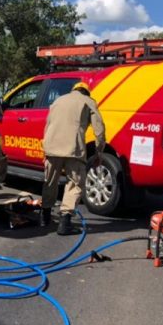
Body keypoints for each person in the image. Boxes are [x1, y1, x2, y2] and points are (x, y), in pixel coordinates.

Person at [41, 81, 106, 235]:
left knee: (50, 181)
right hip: (73, 149)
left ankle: (44, 217)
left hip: (51, 147)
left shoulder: (58, 101)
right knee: (74, 184)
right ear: (86, 92)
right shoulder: (88, 102)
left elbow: (47, 125)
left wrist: (45, 150)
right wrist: (99, 151)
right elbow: (99, 129)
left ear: (74, 90)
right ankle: (64, 223)